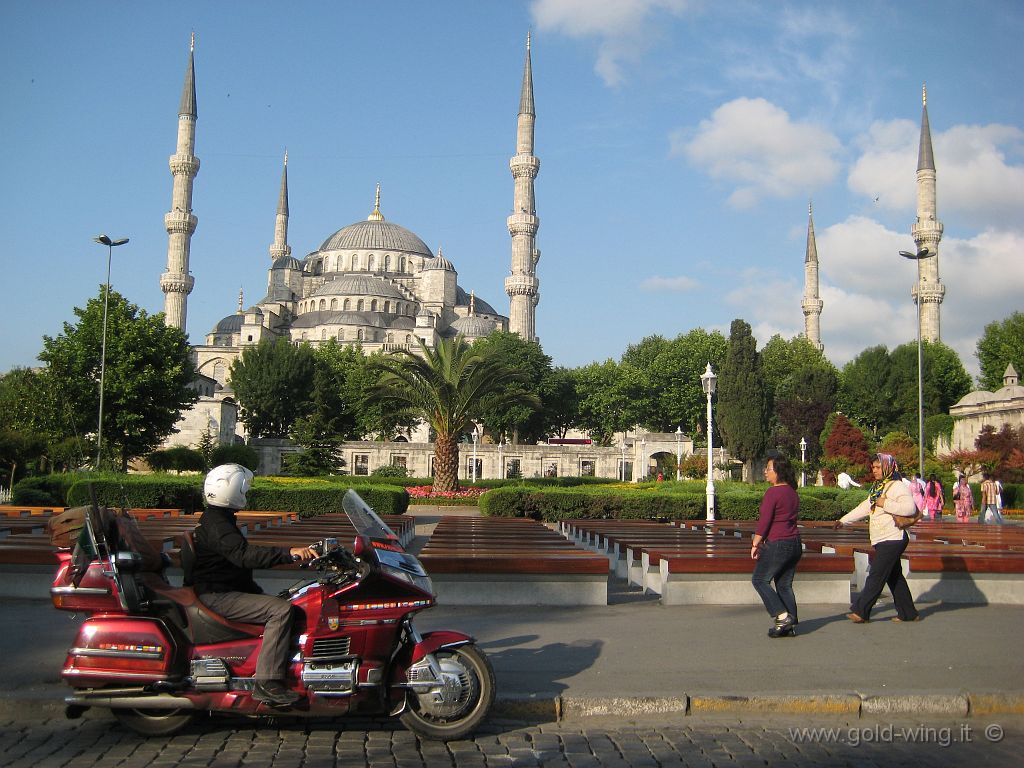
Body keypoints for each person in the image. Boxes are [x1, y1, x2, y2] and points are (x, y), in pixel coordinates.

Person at [187, 464, 316, 707]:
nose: (247, 492)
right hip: (219, 594)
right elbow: (244, 556)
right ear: (233, 490)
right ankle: (268, 682)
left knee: (293, 599)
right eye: (244, 488)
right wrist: (290, 554)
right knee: (281, 611)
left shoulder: (218, 519)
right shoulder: (218, 525)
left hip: (223, 588)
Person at [835, 453, 919, 623]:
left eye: (878, 467)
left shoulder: (897, 486)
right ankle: (908, 613)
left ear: (888, 467)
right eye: (873, 467)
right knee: (894, 576)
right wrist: (843, 520)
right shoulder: (878, 488)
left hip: (893, 537)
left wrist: (884, 503)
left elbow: (910, 508)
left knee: (876, 574)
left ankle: (861, 611)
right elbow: (865, 507)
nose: (874, 470)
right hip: (881, 538)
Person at [751, 455, 802, 638]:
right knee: (784, 585)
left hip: (778, 543)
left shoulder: (773, 492)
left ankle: (782, 615)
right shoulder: (792, 492)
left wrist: (756, 543)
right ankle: (789, 624)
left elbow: (765, 521)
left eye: (769, 469)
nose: (765, 471)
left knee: (759, 580)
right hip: (795, 543)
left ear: (778, 472)